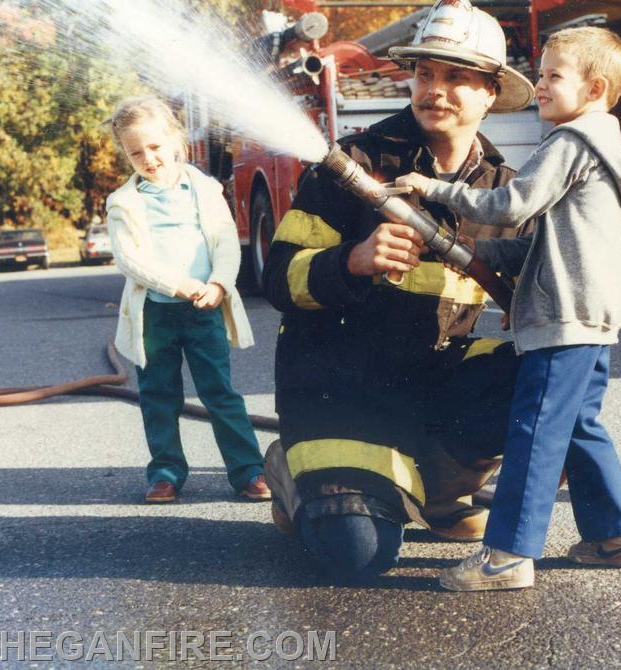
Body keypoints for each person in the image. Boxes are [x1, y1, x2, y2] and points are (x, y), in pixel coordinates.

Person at [260, 0, 535, 583]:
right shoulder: (353, 165)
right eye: (426, 73)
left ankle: (437, 493)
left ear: (491, 92)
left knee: (549, 376)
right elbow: (277, 278)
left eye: (456, 76)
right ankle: (293, 468)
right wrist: (351, 261)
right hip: (342, 395)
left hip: (432, 389)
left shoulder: (506, 193)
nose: (434, 90)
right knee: (357, 555)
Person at [397, 26, 621, 591]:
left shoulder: (568, 142)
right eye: (540, 73)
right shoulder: (604, 144)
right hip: (595, 313)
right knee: (579, 424)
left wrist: (433, 188)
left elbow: (512, 206)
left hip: (564, 315)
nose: (539, 84)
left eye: (553, 75)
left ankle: (507, 555)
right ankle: (616, 535)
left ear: (595, 87)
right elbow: (543, 241)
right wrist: (474, 252)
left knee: (534, 429)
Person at [105, 95, 270, 504]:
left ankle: (248, 470)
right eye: (136, 152)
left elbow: (226, 243)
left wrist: (218, 284)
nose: (149, 158)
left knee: (221, 392)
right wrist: (178, 285)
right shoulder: (124, 202)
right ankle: (165, 472)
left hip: (204, 310)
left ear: (175, 139)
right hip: (156, 316)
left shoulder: (203, 189)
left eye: (156, 147)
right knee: (158, 394)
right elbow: (131, 260)